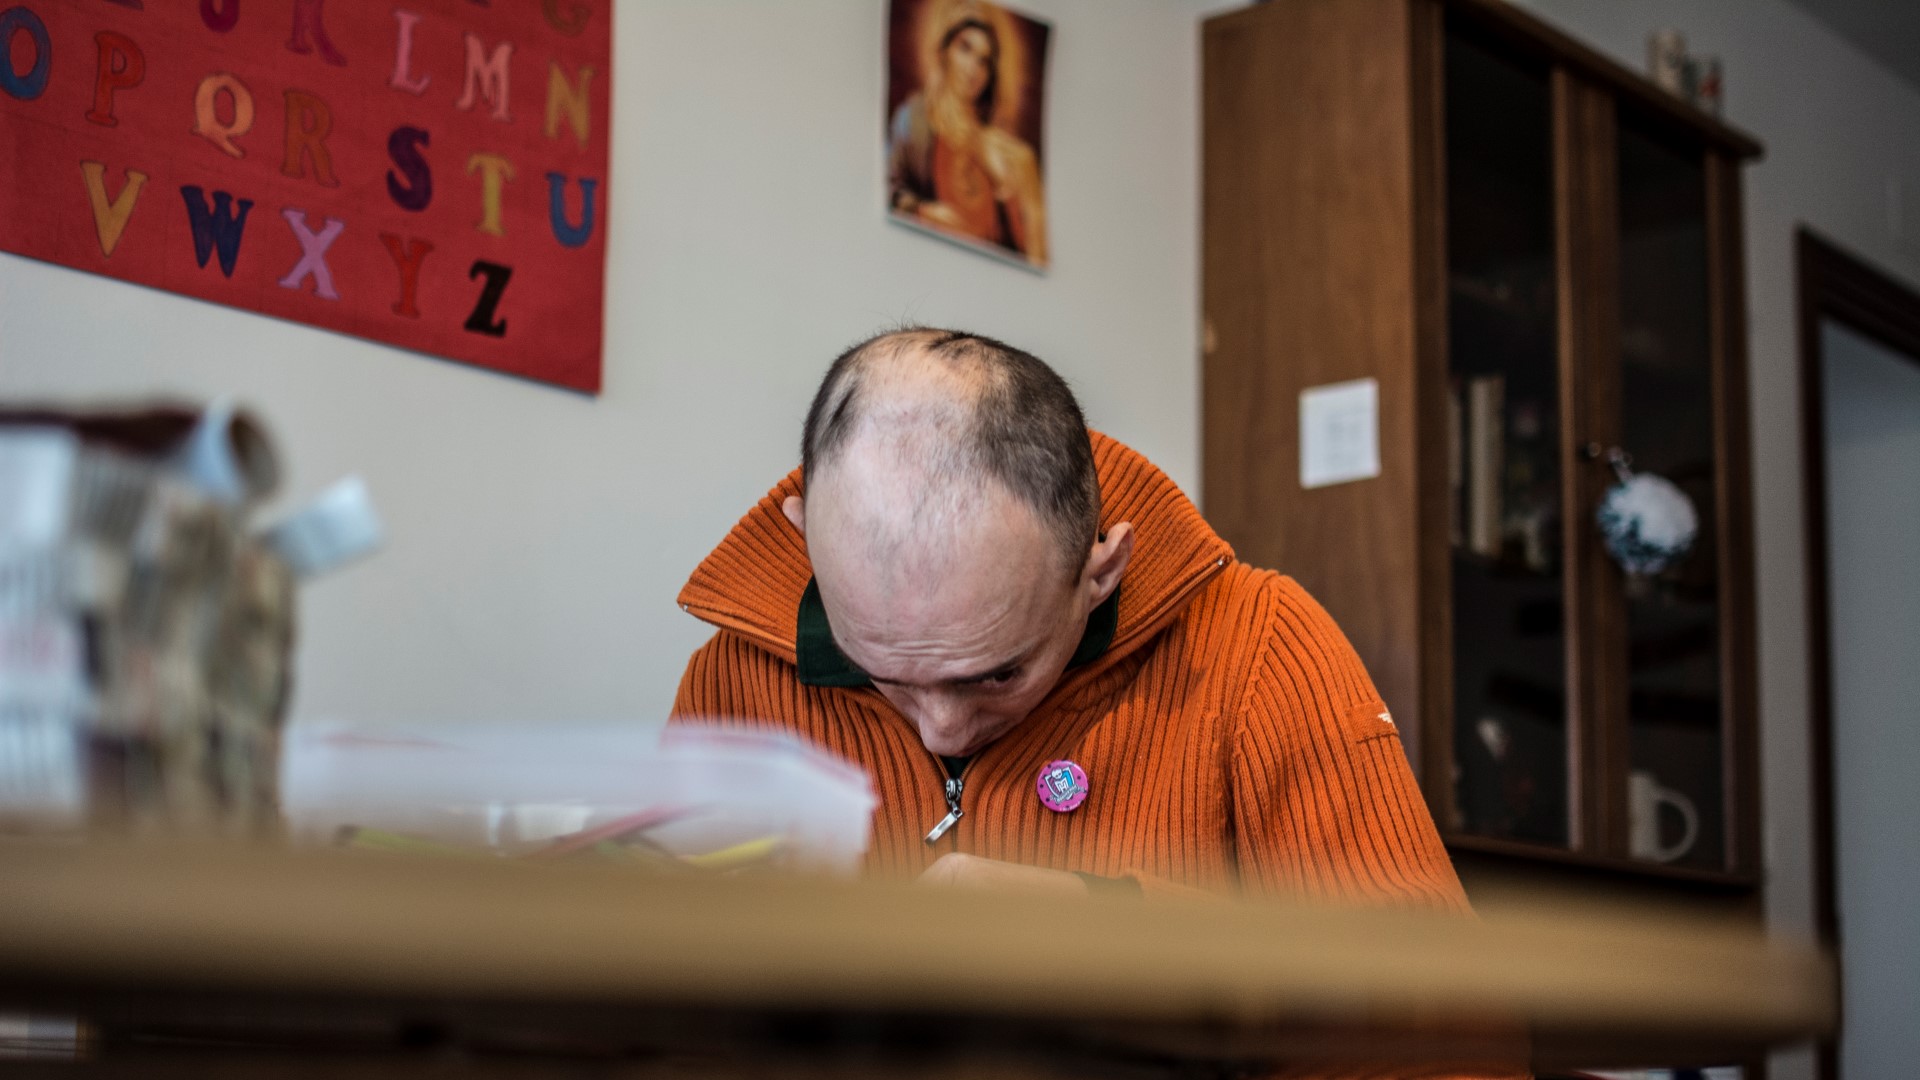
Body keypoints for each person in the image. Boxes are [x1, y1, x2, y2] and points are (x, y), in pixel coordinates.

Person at [672, 327, 1478, 911]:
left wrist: (1103, 931)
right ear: (806, 542)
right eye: (881, 670)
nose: (943, 730)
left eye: (997, 673)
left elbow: (1432, 1013)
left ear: (1101, 571)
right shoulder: (733, 679)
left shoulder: (1260, 644)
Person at [888, 1, 1048, 266]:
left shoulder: (1011, 153)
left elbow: (1034, 254)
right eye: (965, 48)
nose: (973, 68)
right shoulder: (914, 121)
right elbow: (890, 186)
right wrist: (922, 209)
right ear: (944, 51)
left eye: (983, 61)